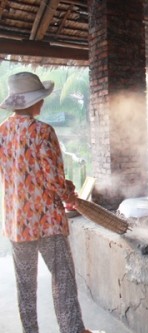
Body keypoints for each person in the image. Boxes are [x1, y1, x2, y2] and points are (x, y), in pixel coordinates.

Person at [0, 72, 91, 333]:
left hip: (17, 222)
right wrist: (69, 194)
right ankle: (73, 330)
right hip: (47, 221)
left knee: (25, 286)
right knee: (62, 279)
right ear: (33, 101)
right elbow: (52, 179)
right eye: (40, 98)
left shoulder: (3, 131)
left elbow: (13, 172)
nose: (43, 103)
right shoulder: (42, 131)